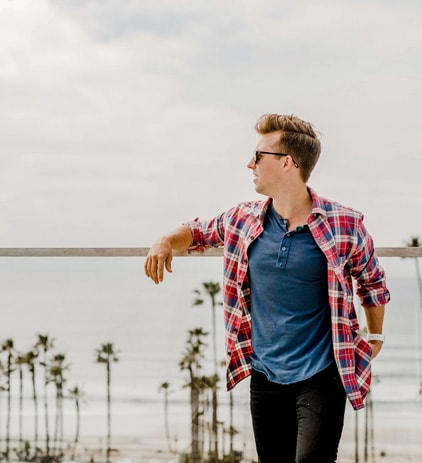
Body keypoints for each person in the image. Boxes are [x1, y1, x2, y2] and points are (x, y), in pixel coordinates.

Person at [144, 113, 390, 462]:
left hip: (322, 373)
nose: (250, 164)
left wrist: (375, 336)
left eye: (259, 156)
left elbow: (372, 281)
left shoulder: (344, 223)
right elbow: (198, 232)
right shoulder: (242, 218)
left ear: (288, 163)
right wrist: (165, 240)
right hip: (265, 374)